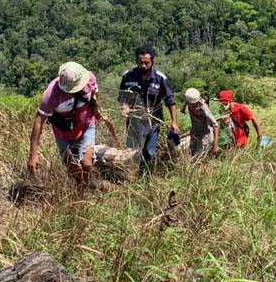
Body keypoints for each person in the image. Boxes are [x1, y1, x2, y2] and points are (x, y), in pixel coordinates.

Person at [28, 62, 117, 190]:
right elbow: (38, 121)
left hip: (86, 125)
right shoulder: (51, 95)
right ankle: (79, 187)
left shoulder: (90, 78)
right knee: (72, 167)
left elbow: (94, 93)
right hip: (63, 133)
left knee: (86, 163)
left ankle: (84, 188)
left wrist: (96, 111)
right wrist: (33, 154)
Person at [119, 45, 177, 172]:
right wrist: (125, 106)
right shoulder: (128, 76)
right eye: (141, 63)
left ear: (152, 62)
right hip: (134, 123)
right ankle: (132, 176)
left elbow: (170, 101)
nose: (143, 66)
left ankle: (146, 175)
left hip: (153, 123)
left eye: (147, 63)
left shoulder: (160, 78)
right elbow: (123, 96)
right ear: (137, 61)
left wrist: (174, 122)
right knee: (133, 152)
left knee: (149, 151)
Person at [183, 88, 219, 159]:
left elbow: (215, 125)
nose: (189, 105)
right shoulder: (189, 102)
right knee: (191, 153)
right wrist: (183, 107)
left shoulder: (203, 108)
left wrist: (215, 145)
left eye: (191, 104)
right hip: (194, 133)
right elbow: (187, 102)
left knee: (200, 158)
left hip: (204, 135)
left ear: (196, 102)